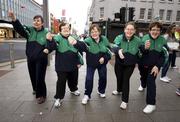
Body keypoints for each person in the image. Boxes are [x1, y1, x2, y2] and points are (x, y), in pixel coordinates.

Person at [8, 11, 49, 104]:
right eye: (34, 20)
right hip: (30, 58)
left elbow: (51, 43)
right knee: (33, 76)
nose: (36, 22)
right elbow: (20, 29)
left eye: (38, 20)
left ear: (42, 23)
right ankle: (35, 89)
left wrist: (48, 49)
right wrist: (14, 19)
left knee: (40, 77)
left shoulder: (46, 32)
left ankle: (41, 95)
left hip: (41, 60)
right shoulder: (30, 30)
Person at [71, 24, 111, 105]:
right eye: (92, 32)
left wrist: (104, 58)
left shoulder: (104, 39)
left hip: (102, 64)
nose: (94, 33)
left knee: (103, 77)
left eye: (96, 31)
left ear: (99, 32)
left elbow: (109, 51)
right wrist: (76, 43)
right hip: (91, 64)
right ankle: (87, 95)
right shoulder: (88, 41)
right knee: (89, 79)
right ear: (90, 33)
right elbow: (82, 46)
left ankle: (101, 91)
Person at [46, 22, 82, 108]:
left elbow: (79, 50)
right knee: (61, 82)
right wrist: (50, 40)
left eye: (67, 28)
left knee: (73, 79)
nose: (66, 29)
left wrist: (79, 62)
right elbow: (53, 47)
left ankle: (73, 89)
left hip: (73, 64)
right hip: (61, 65)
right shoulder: (57, 38)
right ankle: (58, 97)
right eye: (63, 28)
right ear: (60, 31)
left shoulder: (74, 37)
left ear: (69, 29)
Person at [138, 22, 167, 114]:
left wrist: (158, 66)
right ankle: (142, 84)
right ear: (150, 30)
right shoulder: (144, 38)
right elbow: (140, 52)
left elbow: (164, 55)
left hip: (154, 67)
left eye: (158, 30)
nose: (155, 32)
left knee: (150, 81)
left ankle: (151, 104)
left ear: (160, 31)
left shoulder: (162, 40)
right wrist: (145, 48)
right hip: (143, 65)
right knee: (143, 77)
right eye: (153, 29)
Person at [112, 22, 142, 109]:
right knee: (119, 77)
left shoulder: (138, 40)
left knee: (125, 80)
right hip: (119, 63)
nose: (129, 31)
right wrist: (118, 50)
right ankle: (118, 90)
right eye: (128, 29)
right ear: (124, 30)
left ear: (134, 31)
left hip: (130, 64)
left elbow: (142, 49)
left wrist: (145, 49)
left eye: (132, 29)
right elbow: (114, 46)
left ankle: (125, 101)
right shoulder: (119, 37)